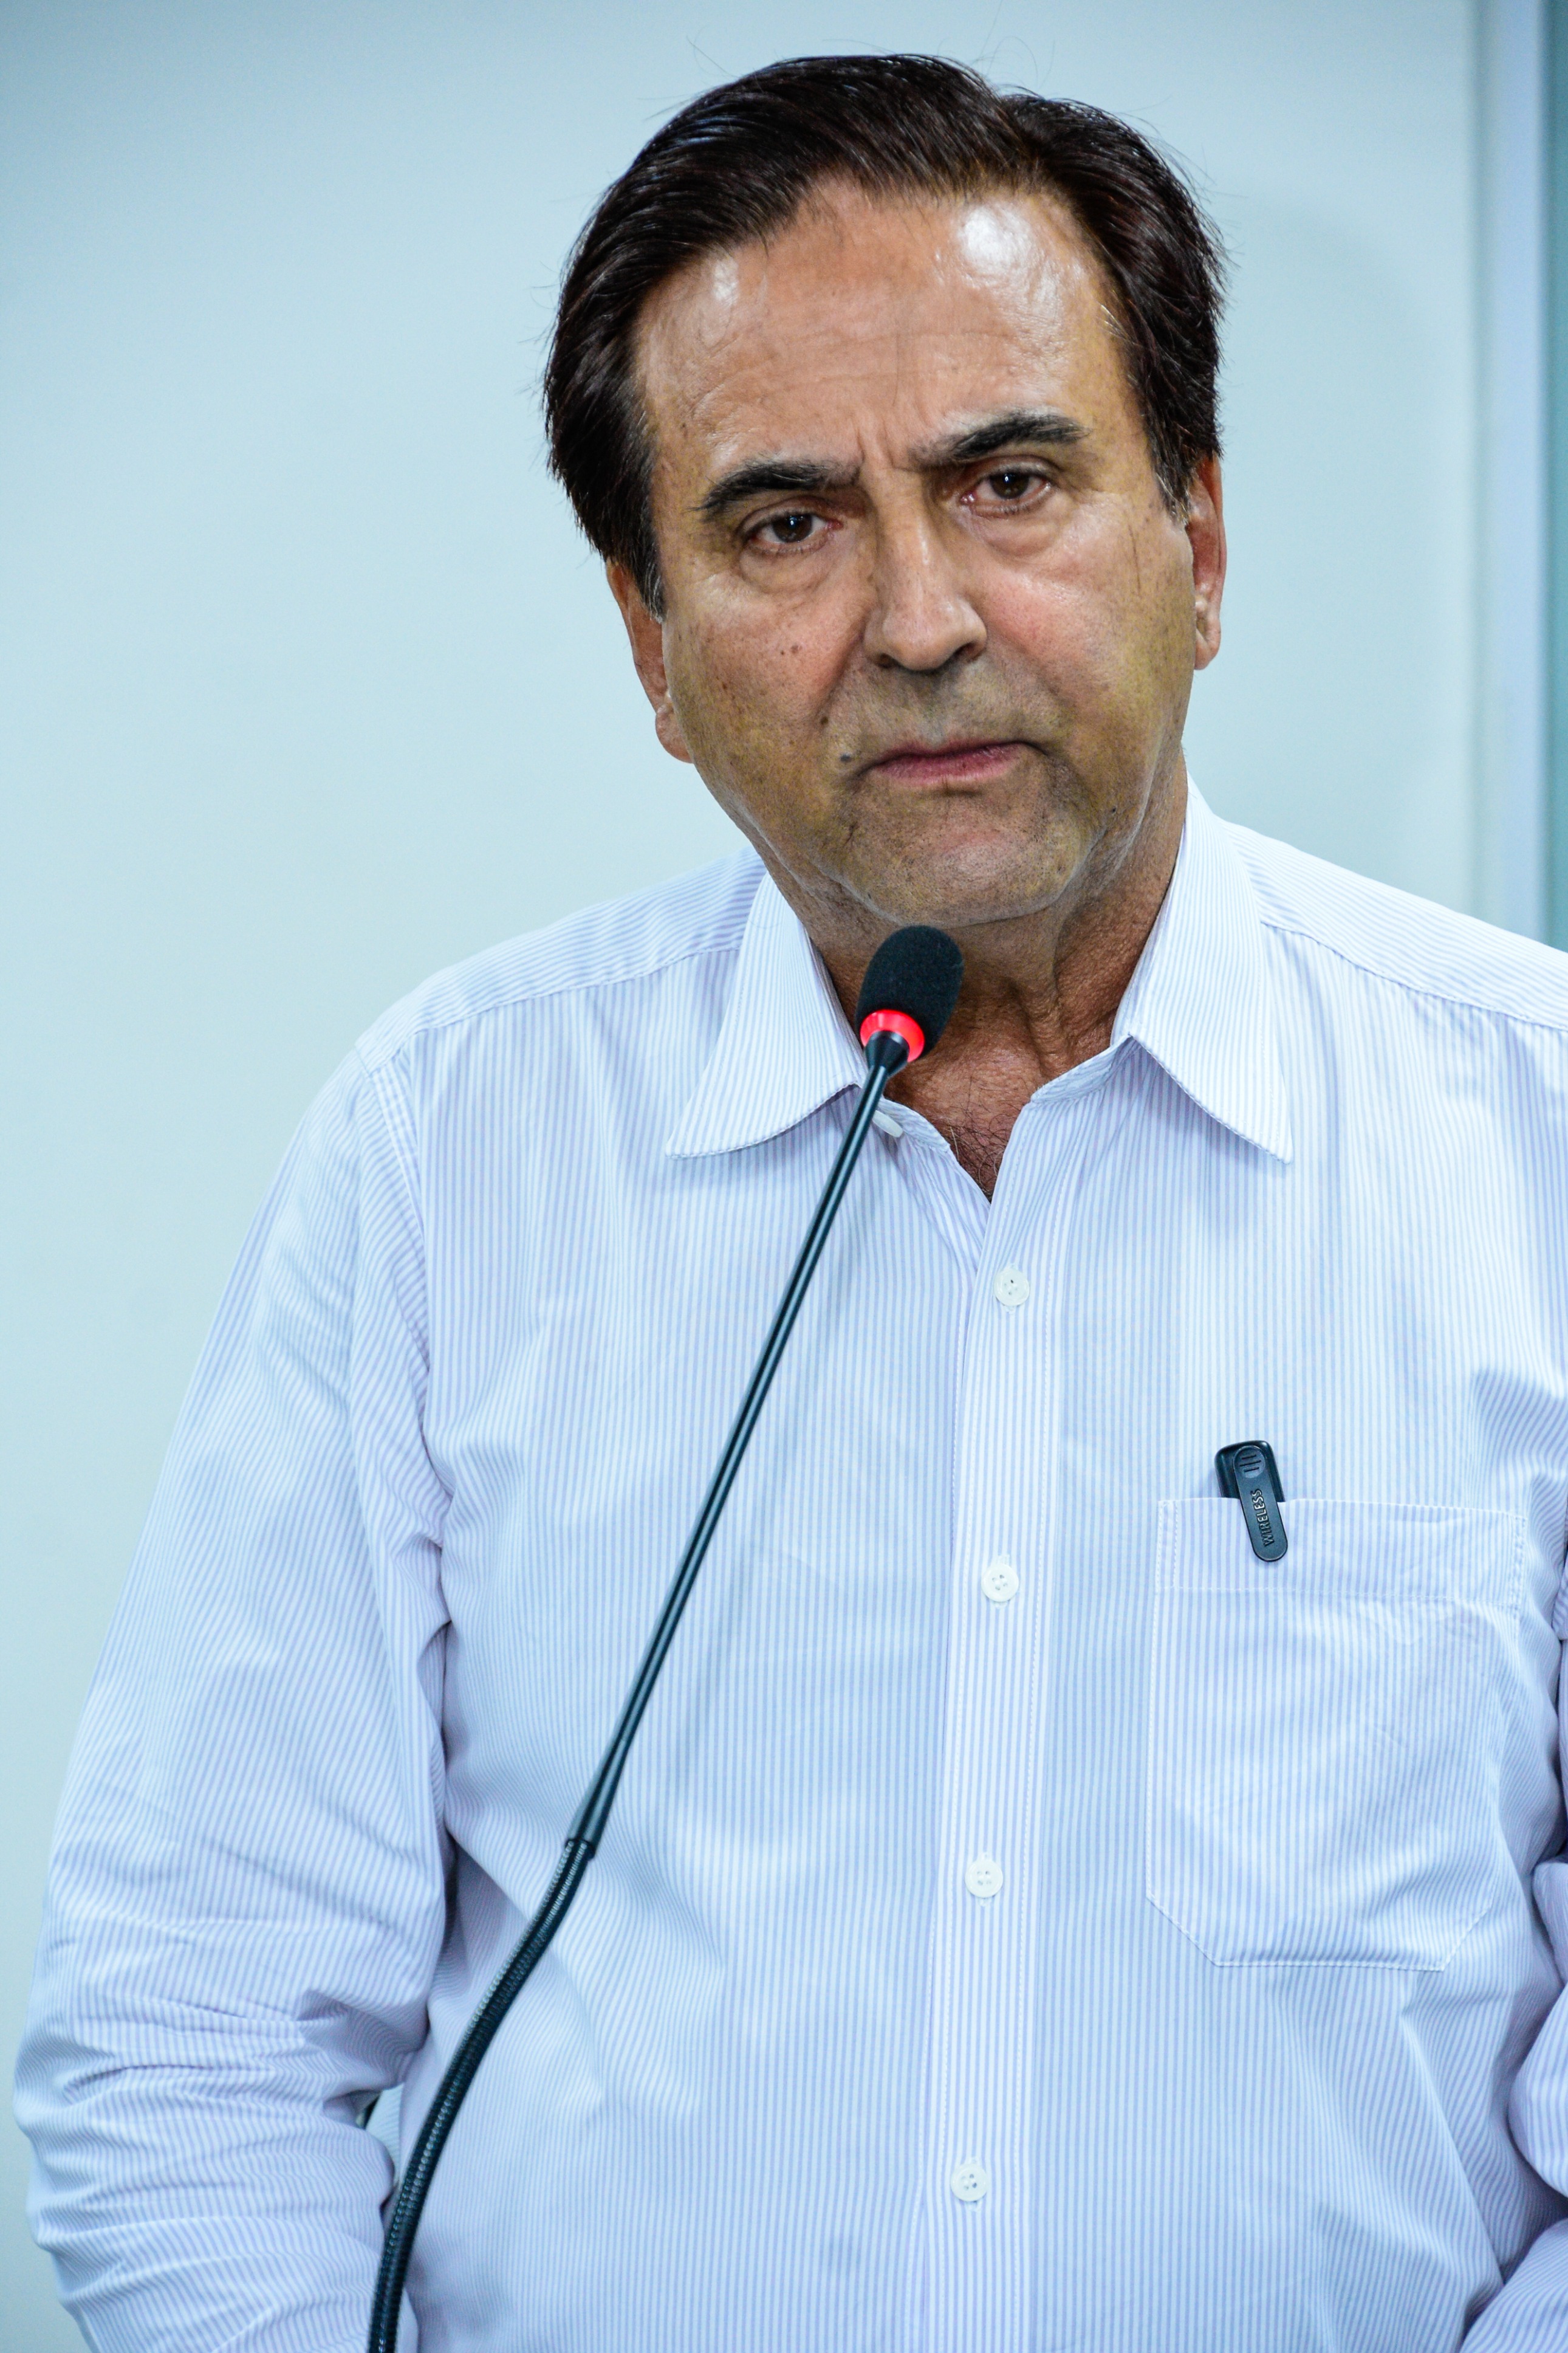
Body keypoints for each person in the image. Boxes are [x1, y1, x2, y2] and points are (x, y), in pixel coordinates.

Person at [16, 51, 1568, 2353]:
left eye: (1011, 483)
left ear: (1202, 545)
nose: (920, 619)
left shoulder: (1535, 1136)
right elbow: (186, 2037)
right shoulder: (451, 1148)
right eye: (782, 527)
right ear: (651, 647)